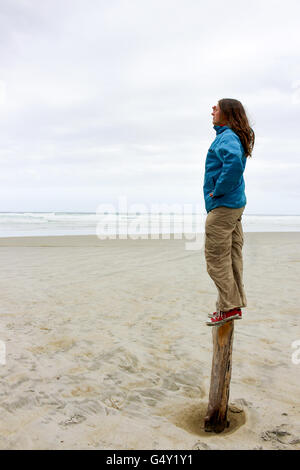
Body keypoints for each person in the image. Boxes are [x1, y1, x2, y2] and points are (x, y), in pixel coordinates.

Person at [203, 98, 255, 326]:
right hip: (234, 204)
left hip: (224, 205)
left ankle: (228, 307)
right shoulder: (230, 136)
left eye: (217, 107)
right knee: (232, 256)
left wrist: (218, 190)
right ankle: (233, 305)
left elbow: (233, 163)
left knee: (216, 258)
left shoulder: (227, 137)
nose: (212, 109)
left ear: (228, 113)